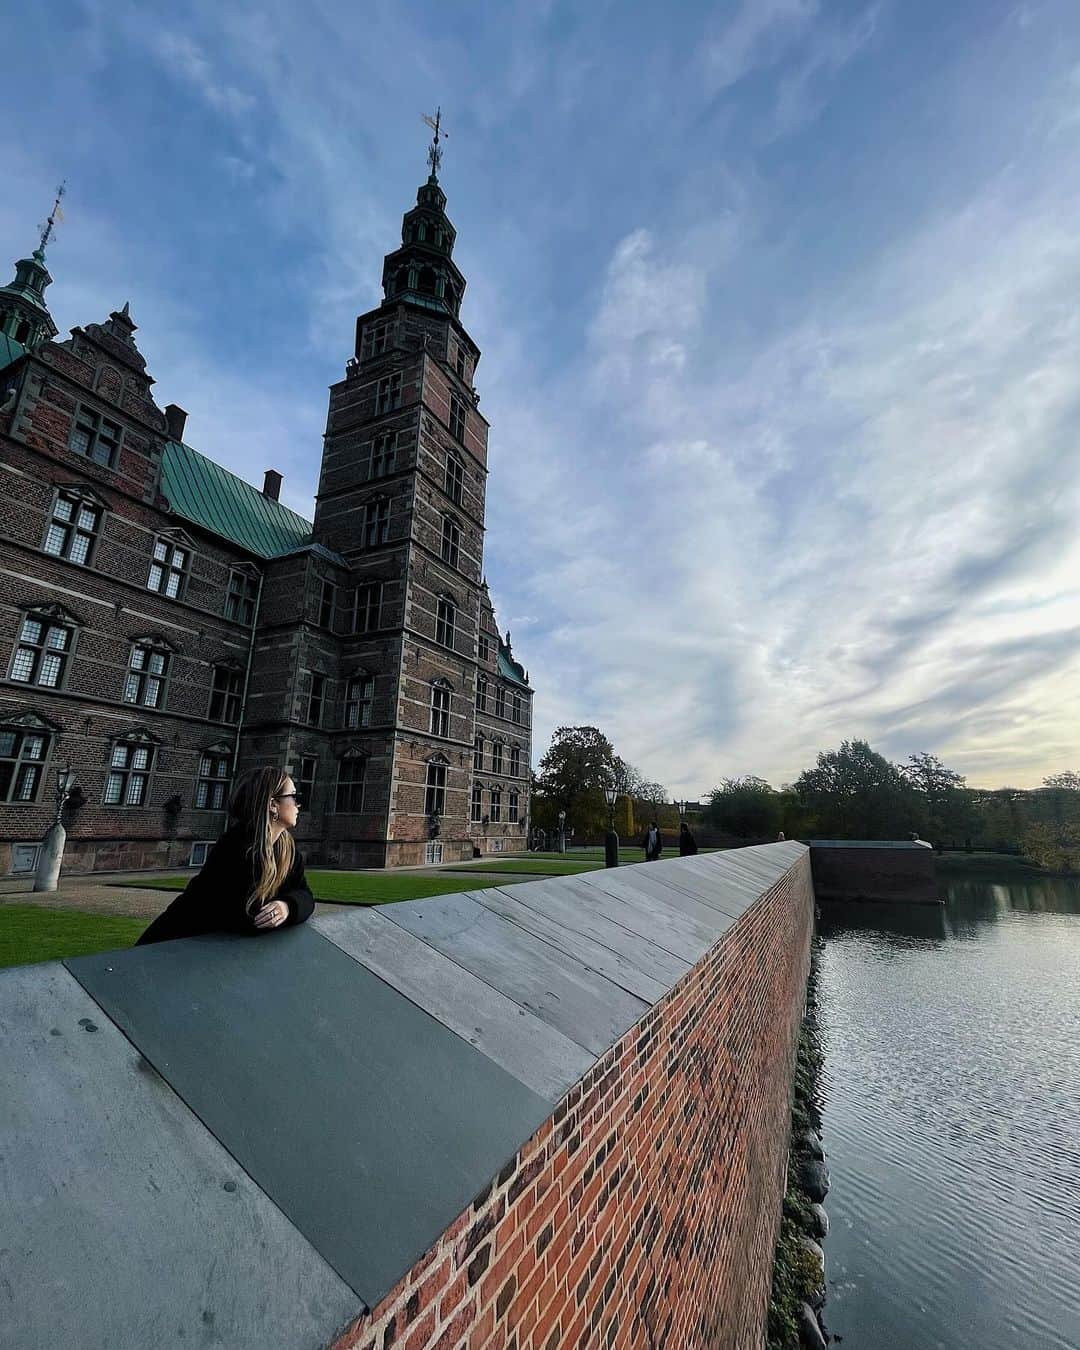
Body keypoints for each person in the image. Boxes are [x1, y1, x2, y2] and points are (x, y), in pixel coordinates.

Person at [136, 766, 314, 945]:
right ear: (272, 805)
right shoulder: (236, 847)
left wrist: (287, 906)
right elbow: (247, 920)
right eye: (293, 796)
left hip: (203, 948)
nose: (298, 804)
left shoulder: (286, 849)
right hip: (174, 941)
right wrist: (281, 910)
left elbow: (306, 896)